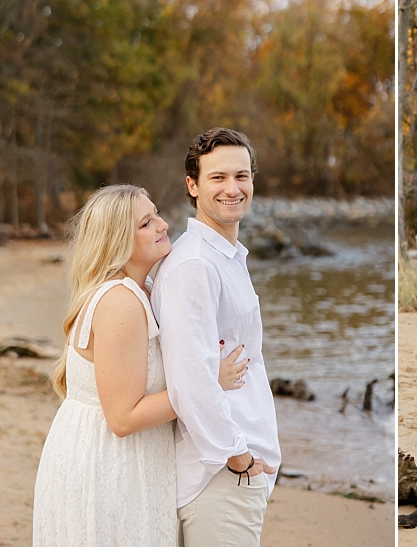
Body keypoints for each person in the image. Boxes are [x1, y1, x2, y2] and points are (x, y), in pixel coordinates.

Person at [33, 185, 249, 546]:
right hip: (107, 465)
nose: (163, 225)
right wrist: (208, 382)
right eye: (146, 223)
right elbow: (122, 418)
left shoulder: (142, 289)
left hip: (122, 459)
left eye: (156, 213)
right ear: (118, 240)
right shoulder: (121, 303)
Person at [151, 127, 281, 547]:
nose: (233, 188)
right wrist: (238, 457)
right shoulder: (195, 264)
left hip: (233, 472)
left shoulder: (223, 257)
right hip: (219, 476)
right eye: (218, 177)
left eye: (241, 176)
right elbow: (190, 379)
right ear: (193, 185)